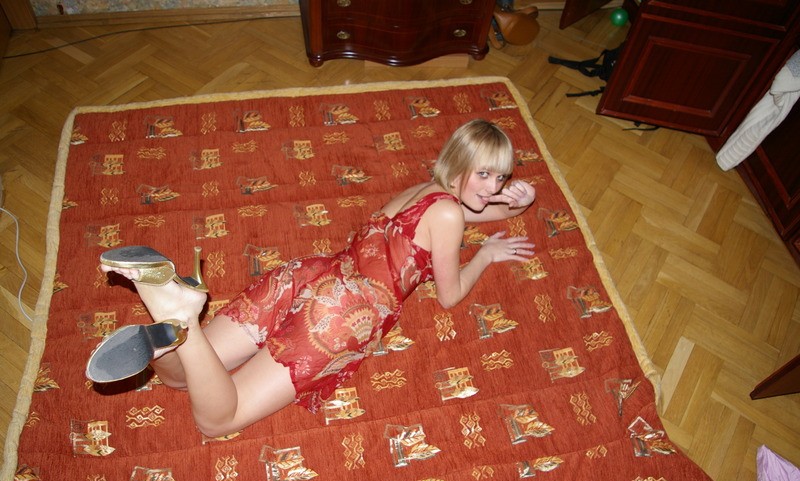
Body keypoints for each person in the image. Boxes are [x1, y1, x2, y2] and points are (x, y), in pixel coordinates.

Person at [87, 119, 537, 438]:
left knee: (178, 378)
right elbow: (449, 295)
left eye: (501, 177)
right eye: (484, 174)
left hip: (308, 276)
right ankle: (185, 316)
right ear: (459, 165)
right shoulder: (450, 215)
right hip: (340, 314)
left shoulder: (426, 192)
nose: (492, 187)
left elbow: (472, 209)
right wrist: (485, 255)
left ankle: (167, 326)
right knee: (217, 421)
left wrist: (519, 200)